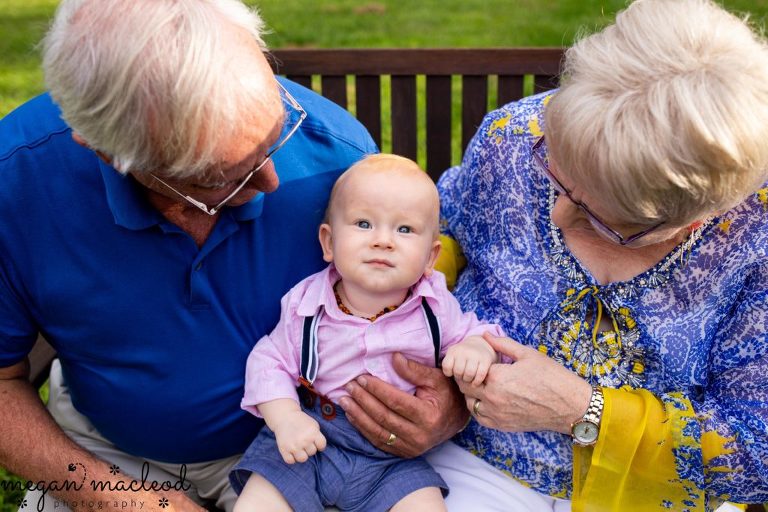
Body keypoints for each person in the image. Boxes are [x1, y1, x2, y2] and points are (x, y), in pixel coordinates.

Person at [0, 2, 467, 511]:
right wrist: (122, 500)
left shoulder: (338, 159)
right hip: (102, 455)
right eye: (220, 178)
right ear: (108, 154)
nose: (271, 182)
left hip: (307, 448)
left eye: (275, 135)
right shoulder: (17, 179)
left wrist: (448, 407)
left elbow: (406, 312)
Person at [426, 0, 768, 511]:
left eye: (599, 217)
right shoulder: (515, 140)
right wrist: (423, 374)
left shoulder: (755, 234)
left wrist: (584, 412)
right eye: (557, 175)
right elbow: (441, 236)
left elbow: (756, 455)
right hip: (479, 457)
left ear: (694, 218)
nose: (559, 215)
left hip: (659, 496)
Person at [229, 154, 503, 512]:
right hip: (311, 438)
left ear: (430, 256)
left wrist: (474, 349)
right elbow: (269, 360)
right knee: (258, 504)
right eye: (363, 224)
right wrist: (285, 419)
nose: (383, 241)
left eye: (404, 230)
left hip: (392, 458)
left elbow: (479, 334)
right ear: (328, 242)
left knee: (426, 506)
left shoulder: (434, 306)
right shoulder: (307, 304)